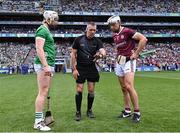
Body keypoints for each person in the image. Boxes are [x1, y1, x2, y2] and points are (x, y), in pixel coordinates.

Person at [107, 16, 148, 123]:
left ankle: (137, 112)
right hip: (119, 62)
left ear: (119, 22)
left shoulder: (127, 31)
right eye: (110, 25)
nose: (112, 27)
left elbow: (143, 39)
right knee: (123, 88)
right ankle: (127, 110)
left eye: (113, 25)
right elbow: (121, 48)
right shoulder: (114, 35)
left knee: (129, 86)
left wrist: (136, 53)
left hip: (129, 61)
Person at [71, 22, 106, 121]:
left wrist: (101, 54)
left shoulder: (97, 41)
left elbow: (103, 51)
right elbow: (73, 55)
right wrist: (74, 69)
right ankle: (78, 112)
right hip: (80, 67)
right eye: (91, 30)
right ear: (86, 29)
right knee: (79, 89)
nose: (92, 32)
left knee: (91, 90)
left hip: (91, 68)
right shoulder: (78, 39)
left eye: (94, 30)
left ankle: (89, 110)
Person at [33, 10, 59, 131]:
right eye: (55, 20)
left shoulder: (46, 30)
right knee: (42, 92)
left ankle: (40, 119)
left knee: (44, 91)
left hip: (48, 64)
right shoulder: (42, 30)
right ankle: (38, 122)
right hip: (44, 65)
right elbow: (39, 48)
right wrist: (46, 65)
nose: (57, 22)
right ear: (49, 19)